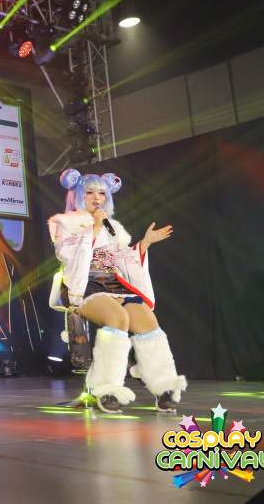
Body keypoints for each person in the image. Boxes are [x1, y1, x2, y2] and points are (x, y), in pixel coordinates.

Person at [48, 169, 186, 413]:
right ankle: (105, 388)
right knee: (117, 318)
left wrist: (145, 243)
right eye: (89, 192)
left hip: (113, 284)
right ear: (77, 195)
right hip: (83, 285)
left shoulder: (113, 227)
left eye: (102, 193)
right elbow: (66, 255)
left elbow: (123, 259)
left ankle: (164, 385)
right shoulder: (64, 223)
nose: (96, 198)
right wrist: (93, 228)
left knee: (147, 320)